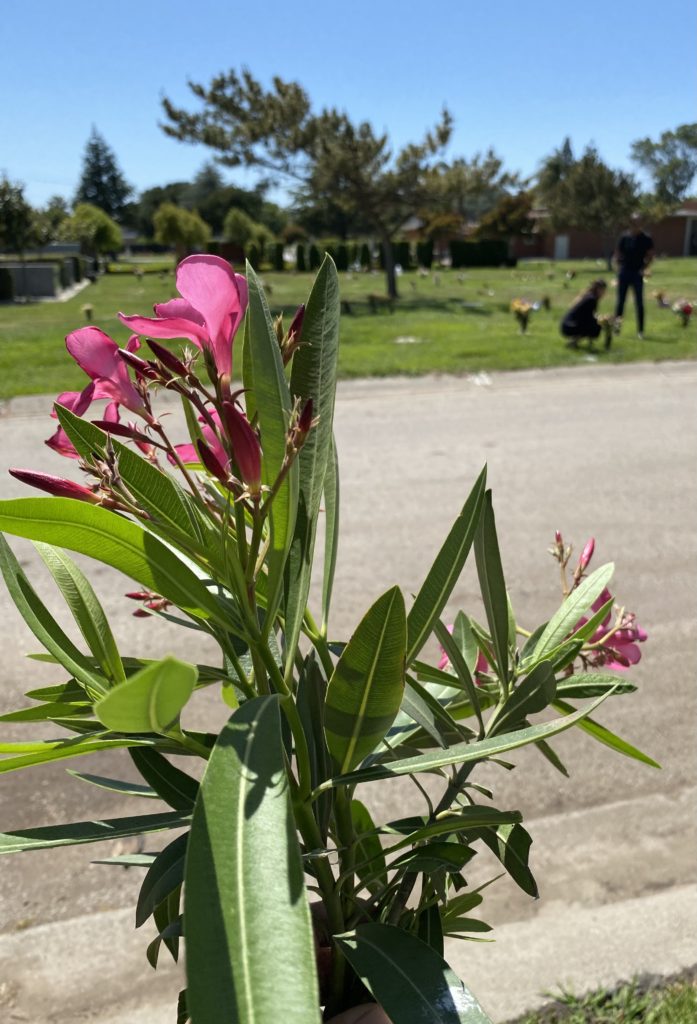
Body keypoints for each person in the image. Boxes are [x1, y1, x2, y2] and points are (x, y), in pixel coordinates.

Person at [614, 215, 654, 338]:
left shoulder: (646, 238)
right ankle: (616, 329)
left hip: (637, 273)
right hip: (624, 272)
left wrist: (644, 268)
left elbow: (650, 255)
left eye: (638, 223)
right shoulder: (624, 237)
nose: (635, 225)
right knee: (620, 302)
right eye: (633, 223)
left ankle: (640, 331)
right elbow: (618, 253)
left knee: (639, 302)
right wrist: (619, 266)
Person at [560, 279, 607, 349]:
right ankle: (574, 341)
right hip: (569, 326)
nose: (604, 293)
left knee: (594, 323)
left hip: (567, 324)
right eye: (603, 290)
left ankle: (575, 341)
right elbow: (589, 318)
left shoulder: (590, 296)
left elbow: (587, 315)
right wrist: (602, 319)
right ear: (598, 289)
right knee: (596, 325)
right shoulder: (591, 299)